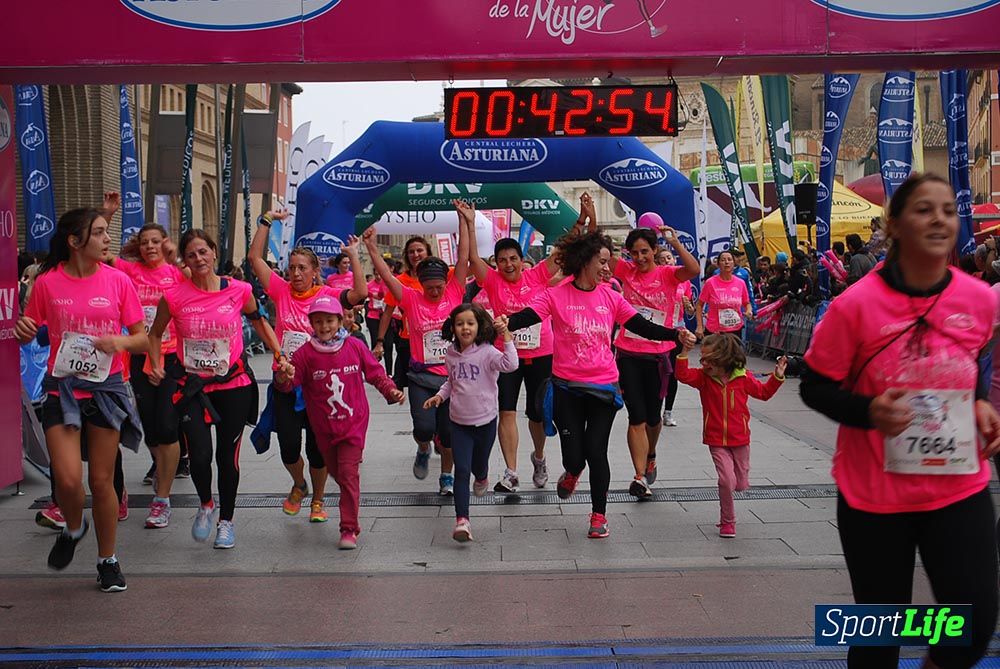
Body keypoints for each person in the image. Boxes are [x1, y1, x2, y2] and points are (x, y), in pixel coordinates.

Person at [799, 173, 1000, 669]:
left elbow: (973, 358)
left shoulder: (980, 299)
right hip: (874, 496)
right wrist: (869, 411)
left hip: (957, 486)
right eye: (924, 210)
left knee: (973, 623)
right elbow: (814, 385)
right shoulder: (854, 307)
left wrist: (977, 401)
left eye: (948, 210)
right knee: (880, 633)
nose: (939, 219)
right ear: (894, 225)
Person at [508, 231, 695, 539]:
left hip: (603, 387)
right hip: (567, 387)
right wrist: (496, 323)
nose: (609, 269)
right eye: (603, 262)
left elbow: (641, 325)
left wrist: (675, 334)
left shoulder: (610, 296)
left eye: (610, 262)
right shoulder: (555, 295)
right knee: (574, 457)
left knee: (596, 452)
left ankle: (598, 515)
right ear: (585, 261)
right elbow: (525, 316)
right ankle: (571, 471)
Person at [16, 207, 147, 592]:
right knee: (69, 480)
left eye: (108, 233)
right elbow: (30, 330)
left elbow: (143, 338)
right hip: (62, 389)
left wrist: (119, 341)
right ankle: (74, 528)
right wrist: (24, 330)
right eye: (101, 233)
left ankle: (108, 560)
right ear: (76, 242)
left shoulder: (118, 281)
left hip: (106, 390)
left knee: (102, 481)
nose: (109, 240)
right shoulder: (47, 283)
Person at [148, 229, 281, 550]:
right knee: (200, 455)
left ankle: (226, 521)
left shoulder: (239, 290)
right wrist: (155, 364)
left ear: (213, 252)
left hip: (233, 385)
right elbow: (154, 334)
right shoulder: (174, 296)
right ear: (185, 259)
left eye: (203, 252)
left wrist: (279, 353)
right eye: (191, 255)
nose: (198, 259)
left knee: (226, 457)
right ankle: (206, 504)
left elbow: (260, 322)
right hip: (193, 388)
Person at [247, 209, 367, 523]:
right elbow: (255, 259)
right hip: (287, 381)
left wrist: (354, 256)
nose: (295, 274)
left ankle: (316, 498)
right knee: (288, 446)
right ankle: (299, 483)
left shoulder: (327, 295)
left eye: (302, 268)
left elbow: (360, 293)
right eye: (291, 268)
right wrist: (266, 221)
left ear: (315, 271)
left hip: (321, 385)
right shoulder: (281, 290)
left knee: (318, 449)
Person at [275, 295, 403, 550]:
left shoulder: (354, 346)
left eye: (330, 321)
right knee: (336, 472)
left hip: (353, 425)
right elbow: (289, 385)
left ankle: (348, 528)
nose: (324, 327)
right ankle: (335, 500)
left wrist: (391, 391)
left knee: (348, 475)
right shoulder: (305, 354)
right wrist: (283, 375)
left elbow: (375, 373)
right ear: (311, 323)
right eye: (319, 321)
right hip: (323, 428)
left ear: (340, 320)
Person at [364, 199, 471, 496]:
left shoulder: (453, 292)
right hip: (422, 378)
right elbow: (386, 276)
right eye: (431, 288)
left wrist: (464, 221)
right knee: (425, 428)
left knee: (448, 434)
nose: (436, 292)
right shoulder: (411, 298)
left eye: (439, 287)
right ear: (421, 285)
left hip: (453, 377)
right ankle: (423, 447)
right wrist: (372, 247)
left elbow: (462, 258)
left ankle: (446, 476)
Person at [465, 210, 562, 494]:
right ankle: (511, 472)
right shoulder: (492, 280)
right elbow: (473, 259)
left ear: (522, 260)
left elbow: (563, 251)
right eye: (502, 260)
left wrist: (582, 221)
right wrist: (470, 223)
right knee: (506, 410)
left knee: (538, 413)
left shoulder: (539, 275)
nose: (508, 264)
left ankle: (539, 458)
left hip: (541, 353)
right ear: (496, 263)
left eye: (513, 258)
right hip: (505, 355)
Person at [609, 221, 699, 498]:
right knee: (635, 415)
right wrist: (586, 220)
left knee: (652, 416)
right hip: (628, 352)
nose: (639, 258)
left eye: (645, 251)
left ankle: (651, 453)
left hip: (660, 355)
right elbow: (598, 254)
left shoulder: (669, 274)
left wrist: (674, 242)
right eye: (634, 253)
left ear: (654, 250)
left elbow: (694, 270)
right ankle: (639, 477)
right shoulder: (625, 270)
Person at [113, 219, 187, 529]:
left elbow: (200, 280)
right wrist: (107, 212)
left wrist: (177, 256)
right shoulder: (131, 271)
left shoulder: (175, 274)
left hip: (170, 359)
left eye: (156, 241)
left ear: (165, 243)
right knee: (152, 431)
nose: (150, 247)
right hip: (141, 357)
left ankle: (162, 499)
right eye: (145, 242)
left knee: (168, 427)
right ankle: (161, 466)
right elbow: (101, 257)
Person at [675, 334, 786, 537]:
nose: (704, 363)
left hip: (740, 438)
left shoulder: (743, 378)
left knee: (741, 483)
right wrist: (684, 352)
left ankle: (741, 479)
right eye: (702, 359)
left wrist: (777, 377)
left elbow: (764, 393)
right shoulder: (704, 378)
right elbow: (682, 375)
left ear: (724, 359)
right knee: (726, 480)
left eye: (709, 360)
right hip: (716, 439)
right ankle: (728, 522)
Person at [423, 305, 518, 541]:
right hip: (459, 422)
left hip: (485, 421)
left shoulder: (487, 352)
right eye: (460, 323)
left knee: (478, 466)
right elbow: (451, 382)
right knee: (462, 470)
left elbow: (511, 364)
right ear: (453, 328)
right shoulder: (451, 354)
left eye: (470, 323)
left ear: (479, 326)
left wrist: (506, 336)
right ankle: (462, 520)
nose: (465, 328)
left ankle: (483, 476)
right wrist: (439, 396)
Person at [660, 248, 695, 428]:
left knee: (673, 372)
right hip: (659, 331)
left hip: (678, 331)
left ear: (674, 260)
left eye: (669, 258)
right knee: (659, 372)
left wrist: (688, 306)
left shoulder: (684, 281)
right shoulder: (657, 279)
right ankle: (654, 408)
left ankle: (668, 411)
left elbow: (689, 310)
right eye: (662, 259)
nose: (666, 261)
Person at [696, 251, 752, 339]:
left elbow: (746, 302)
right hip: (715, 331)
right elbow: (699, 305)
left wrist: (749, 311)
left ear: (734, 263)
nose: (726, 262)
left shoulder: (740, 283)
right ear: (718, 264)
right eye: (723, 260)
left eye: (729, 260)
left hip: (735, 330)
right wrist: (699, 326)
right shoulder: (710, 282)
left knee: (734, 352)